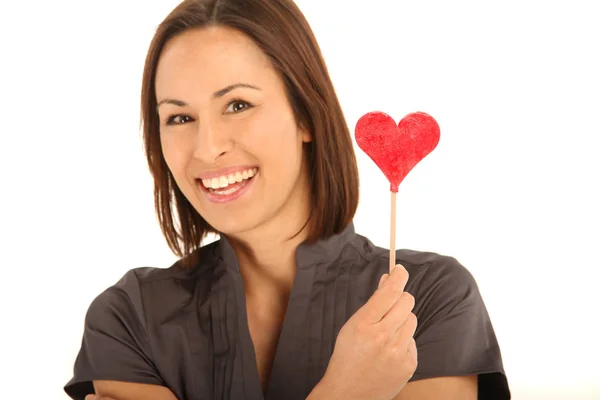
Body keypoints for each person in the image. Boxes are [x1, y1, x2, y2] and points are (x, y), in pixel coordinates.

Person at [64, 0, 510, 399]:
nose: (206, 147)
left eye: (237, 105)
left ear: (306, 115)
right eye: (179, 117)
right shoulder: (128, 320)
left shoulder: (430, 300)